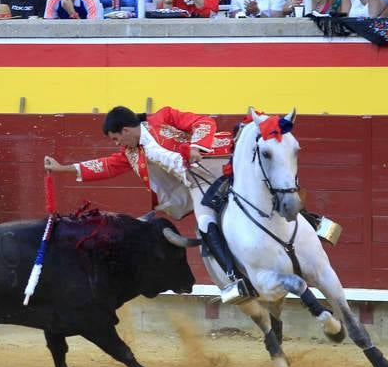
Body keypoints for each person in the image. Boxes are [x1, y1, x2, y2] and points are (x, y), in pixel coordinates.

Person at [42, 105, 244, 300]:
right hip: (198, 184)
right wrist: (64, 169)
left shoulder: (164, 117)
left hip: (221, 159)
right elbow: (105, 166)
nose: (116, 143)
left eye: (116, 138)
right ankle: (234, 279)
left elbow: (203, 122)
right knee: (204, 224)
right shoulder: (131, 154)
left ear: (126, 130)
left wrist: (195, 147)